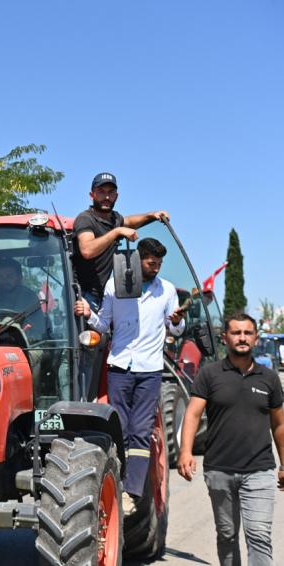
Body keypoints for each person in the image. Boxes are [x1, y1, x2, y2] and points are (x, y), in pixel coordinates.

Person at [74, 237, 185, 513]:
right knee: (120, 427)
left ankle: (131, 492)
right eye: (151, 263)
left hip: (149, 371)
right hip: (120, 366)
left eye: (159, 263)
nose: (156, 268)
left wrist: (177, 322)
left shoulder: (167, 291)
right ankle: (117, 481)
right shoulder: (115, 285)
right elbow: (102, 324)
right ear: (138, 260)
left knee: (141, 431)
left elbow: (176, 331)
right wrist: (88, 313)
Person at [178, 313, 284, 566]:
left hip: (259, 470)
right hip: (219, 470)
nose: (242, 338)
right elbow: (192, 414)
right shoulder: (209, 374)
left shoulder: (269, 378)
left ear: (256, 338)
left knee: (258, 535)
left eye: (247, 333)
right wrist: (185, 451)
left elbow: (279, 424)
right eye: (236, 333)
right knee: (226, 535)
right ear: (225, 338)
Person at [72, 171, 170, 309]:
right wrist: (117, 231)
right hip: (83, 296)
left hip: (103, 295)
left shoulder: (115, 219)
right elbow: (87, 250)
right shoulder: (85, 219)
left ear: (116, 196)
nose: (106, 196)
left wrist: (152, 215)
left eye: (111, 192)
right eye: (101, 191)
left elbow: (129, 221)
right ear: (92, 195)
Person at [0, 257, 46, 340]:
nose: (4, 280)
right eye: (1, 277)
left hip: (27, 345)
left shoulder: (28, 297)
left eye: (9, 276)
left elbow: (35, 331)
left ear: (19, 278)